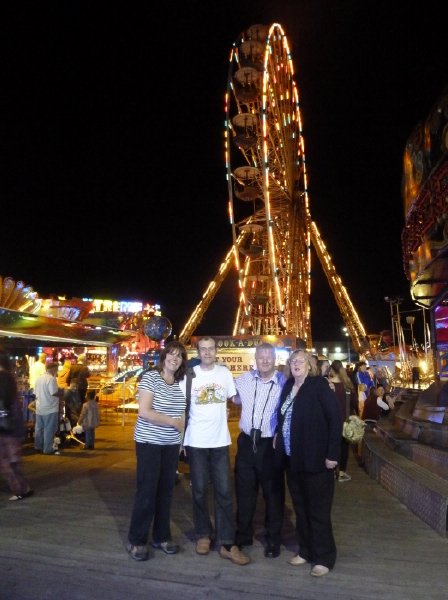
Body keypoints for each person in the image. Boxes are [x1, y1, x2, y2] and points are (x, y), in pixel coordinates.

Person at [181, 336, 250, 566]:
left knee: (223, 492)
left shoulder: (224, 373)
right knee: (199, 490)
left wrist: (255, 388)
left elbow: (236, 398)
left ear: (216, 351)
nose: (208, 352)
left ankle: (227, 542)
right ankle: (203, 534)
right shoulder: (189, 376)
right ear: (198, 352)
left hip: (220, 440)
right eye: (204, 349)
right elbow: (180, 406)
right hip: (196, 441)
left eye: (211, 349)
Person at [274, 349, 342, 577]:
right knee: (301, 508)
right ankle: (306, 550)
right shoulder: (287, 387)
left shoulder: (319, 386)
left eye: (301, 361)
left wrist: (333, 454)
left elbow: (335, 419)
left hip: (316, 460)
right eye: (293, 361)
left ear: (310, 365)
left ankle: (324, 557)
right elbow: (283, 417)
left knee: (318, 511)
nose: (296, 364)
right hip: (293, 460)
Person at [126, 341, 187, 562]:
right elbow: (144, 411)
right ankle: (136, 539)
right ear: (163, 357)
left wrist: (180, 441)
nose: (175, 358)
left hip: (170, 445)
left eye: (179, 356)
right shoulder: (151, 377)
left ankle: (161, 536)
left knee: (166, 492)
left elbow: (181, 416)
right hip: (149, 443)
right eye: (171, 354)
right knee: (147, 491)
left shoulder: (178, 382)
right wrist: (172, 422)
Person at [232, 342, 286, 558]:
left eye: (268, 357)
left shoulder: (284, 383)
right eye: (261, 357)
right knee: (244, 491)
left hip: (269, 445)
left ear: (275, 360)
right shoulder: (244, 380)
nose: (264, 360)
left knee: (273, 494)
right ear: (255, 359)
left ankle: (273, 539)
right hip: (246, 442)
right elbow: (226, 394)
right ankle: (243, 534)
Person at [0, 351, 33, 501]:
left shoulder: (3, 378)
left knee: (8, 461)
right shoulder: (8, 377)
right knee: (11, 460)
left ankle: (21, 489)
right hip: (11, 425)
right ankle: (22, 488)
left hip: (5, 426)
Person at [329, 360, 357, 482]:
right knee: (344, 448)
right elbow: (354, 404)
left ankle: (330, 471)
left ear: (331, 370)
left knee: (331, 446)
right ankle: (341, 473)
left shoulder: (327, 385)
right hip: (345, 422)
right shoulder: (347, 385)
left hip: (330, 422)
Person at [34, 362, 63, 455]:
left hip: (39, 407)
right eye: (56, 369)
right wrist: (62, 393)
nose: (57, 371)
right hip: (50, 408)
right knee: (49, 429)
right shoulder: (51, 379)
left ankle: (38, 447)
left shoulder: (39, 378)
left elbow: (35, 393)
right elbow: (53, 392)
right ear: (53, 369)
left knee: (39, 428)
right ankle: (47, 449)